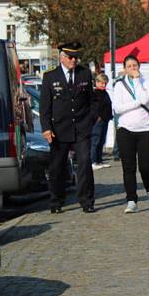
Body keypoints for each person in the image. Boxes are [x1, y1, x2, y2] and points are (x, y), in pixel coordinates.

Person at [40, 42, 96, 213]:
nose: (74, 60)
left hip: (81, 127)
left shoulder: (84, 73)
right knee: (57, 167)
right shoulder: (50, 77)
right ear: (62, 57)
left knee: (85, 163)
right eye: (71, 57)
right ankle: (56, 201)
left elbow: (91, 100)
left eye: (76, 57)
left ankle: (86, 201)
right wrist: (46, 128)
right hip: (59, 129)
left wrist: (90, 120)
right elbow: (45, 106)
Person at [113, 54, 149, 214]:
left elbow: (145, 97)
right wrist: (136, 102)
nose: (132, 68)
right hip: (126, 129)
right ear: (124, 69)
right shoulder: (119, 85)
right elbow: (117, 108)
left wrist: (137, 81)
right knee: (128, 167)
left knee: (146, 166)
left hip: (146, 129)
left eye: (135, 65)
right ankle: (131, 199)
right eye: (129, 66)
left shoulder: (147, 82)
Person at [91, 73, 113, 170]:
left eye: (105, 83)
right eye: (102, 83)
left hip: (105, 119)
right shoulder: (94, 93)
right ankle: (93, 161)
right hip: (98, 120)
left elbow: (108, 105)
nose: (103, 85)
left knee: (101, 141)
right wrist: (97, 117)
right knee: (95, 140)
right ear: (97, 82)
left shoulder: (104, 92)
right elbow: (93, 107)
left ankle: (99, 161)